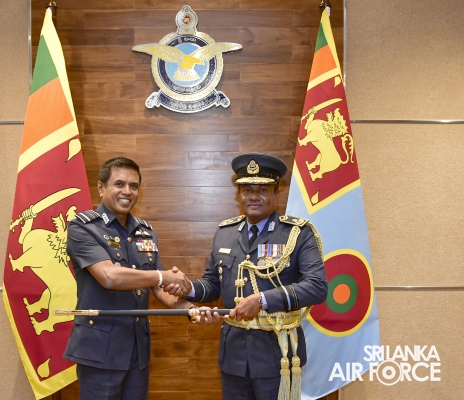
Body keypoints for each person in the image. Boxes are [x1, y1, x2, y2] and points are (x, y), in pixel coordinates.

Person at [184, 153, 328, 400]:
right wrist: (187, 287)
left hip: (277, 354)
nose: (253, 196)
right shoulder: (225, 232)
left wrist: (262, 300)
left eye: (262, 190)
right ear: (238, 194)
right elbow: (213, 284)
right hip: (233, 355)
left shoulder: (297, 233)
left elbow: (317, 287)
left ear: (276, 193)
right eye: (247, 190)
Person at [63, 157, 193, 400]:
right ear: (101, 187)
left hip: (136, 349)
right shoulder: (83, 227)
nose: (127, 191)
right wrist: (160, 276)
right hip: (99, 350)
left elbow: (159, 287)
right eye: (119, 184)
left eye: (134, 186)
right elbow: (109, 276)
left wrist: (192, 310)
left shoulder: (145, 231)